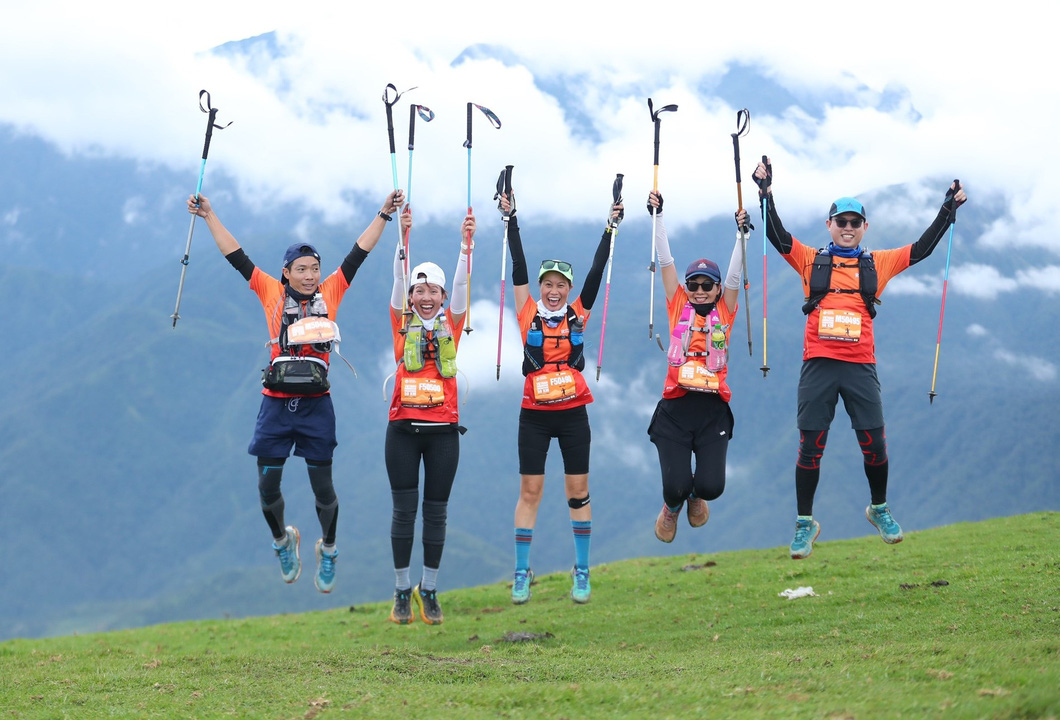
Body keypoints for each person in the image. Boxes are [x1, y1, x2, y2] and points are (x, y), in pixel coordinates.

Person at [187, 189, 405, 592]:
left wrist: (384, 213)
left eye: (314, 268)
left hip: (316, 406)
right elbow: (235, 255)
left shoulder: (332, 292)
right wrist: (209, 216)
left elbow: (359, 252)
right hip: (275, 405)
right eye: (301, 269)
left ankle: (331, 549)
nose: (309, 275)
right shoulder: (270, 291)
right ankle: (283, 542)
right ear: (286, 273)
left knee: (324, 488)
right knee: (267, 484)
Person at [751, 158, 966, 559]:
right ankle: (804, 524)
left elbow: (920, 250)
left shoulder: (876, 263)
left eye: (855, 223)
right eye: (841, 222)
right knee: (810, 446)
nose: (847, 228)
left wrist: (946, 211)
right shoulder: (811, 259)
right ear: (828, 224)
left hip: (860, 366)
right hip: (818, 362)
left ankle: (879, 509)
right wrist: (766, 194)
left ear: (864, 227)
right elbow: (776, 235)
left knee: (875, 443)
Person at [499, 190, 623, 605]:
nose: (554, 291)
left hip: (573, 415)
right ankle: (522, 572)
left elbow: (596, 269)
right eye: (548, 285)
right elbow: (517, 264)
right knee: (530, 491)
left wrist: (610, 227)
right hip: (533, 414)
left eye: (561, 286)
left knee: (578, 490)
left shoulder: (578, 314)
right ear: (540, 288)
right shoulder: (526, 311)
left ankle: (581, 570)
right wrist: (511, 219)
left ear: (569, 289)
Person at [384, 210, 476, 626]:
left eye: (432, 291)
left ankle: (430, 589)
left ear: (441, 296)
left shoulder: (451, 326)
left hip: (443, 433)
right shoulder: (401, 323)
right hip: (402, 430)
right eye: (419, 289)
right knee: (404, 512)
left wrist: (465, 246)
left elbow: (461, 286)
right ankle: (403, 589)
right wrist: (403, 236)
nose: (424, 296)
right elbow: (398, 277)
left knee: (436, 512)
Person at [646, 190, 745, 543]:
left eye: (707, 285)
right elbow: (665, 258)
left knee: (710, 486)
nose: (700, 291)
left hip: (712, 410)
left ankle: (696, 497)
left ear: (718, 290)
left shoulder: (725, 312)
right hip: (676, 407)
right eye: (694, 285)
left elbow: (735, 275)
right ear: (686, 288)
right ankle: (672, 506)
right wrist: (658, 216)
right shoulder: (677, 305)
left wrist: (741, 235)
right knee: (675, 485)